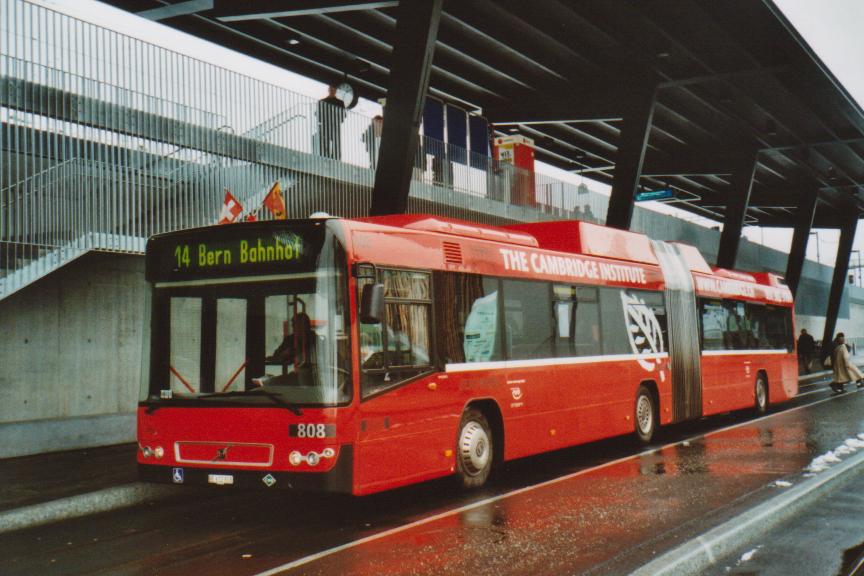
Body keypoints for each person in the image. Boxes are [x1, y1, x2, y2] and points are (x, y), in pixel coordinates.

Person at [316, 84, 346, 159]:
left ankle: (336, 158)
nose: (332, 91)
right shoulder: (322, 101)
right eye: (331, 89)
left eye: (334, 90)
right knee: (325, 141)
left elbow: (343, 115)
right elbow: (318, 113)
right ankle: (325, 156)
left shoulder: (340, 102)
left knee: (336, 142)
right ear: (328, 90)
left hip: (335, 125)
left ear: (335, 91)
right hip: (325, 125)